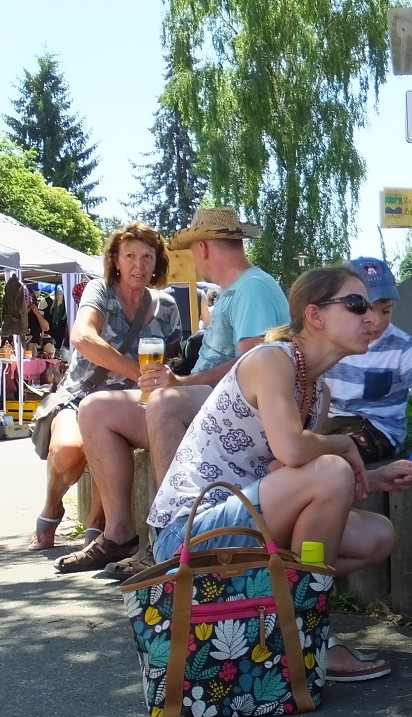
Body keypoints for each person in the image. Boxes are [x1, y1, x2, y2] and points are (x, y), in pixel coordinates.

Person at [147, 266, 412, 681]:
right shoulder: (269, 361)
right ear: (314, 316)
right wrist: (343, 446)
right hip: (185, 538)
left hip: (244, 523)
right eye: (356, 304)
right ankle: (309, 637)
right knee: (330, 471)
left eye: (374, 308)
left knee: (376, 535)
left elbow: (286, 472)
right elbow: (294, 451)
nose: (373, 318)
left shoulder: (316, 389)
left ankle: (279, 618)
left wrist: (376, 479)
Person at [73, 207, 289, 577]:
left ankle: (171, 540)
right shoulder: (236, 289)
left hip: (232, 416)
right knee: (94, 410)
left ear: (203, 247)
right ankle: (120, 533)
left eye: (192, 250)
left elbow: (255, 365)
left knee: (166, 403)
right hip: (211, 407)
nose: (191, 258)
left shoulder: (253, 288)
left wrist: (180, 383)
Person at [36, 223, 180, 559]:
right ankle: (52, 506)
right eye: (130, 256)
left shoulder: (167, 306)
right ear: (115, 260)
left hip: (134, 403)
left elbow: (176, 356)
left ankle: (99, 527)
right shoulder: (100, 292)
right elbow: (82, 337)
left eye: (148, 257)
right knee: (69, 453)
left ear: (157, 263)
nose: (138, 265)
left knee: (114, 436)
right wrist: (136, 372)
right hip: (82, 395)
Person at [322, 257, 412, 460]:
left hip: (380, 429)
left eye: (386, 310)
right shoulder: (332, 340)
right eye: (366, 308)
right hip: (334, 423)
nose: (377, 320)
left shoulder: (400, 345)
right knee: (301, 450)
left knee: (336, 454)